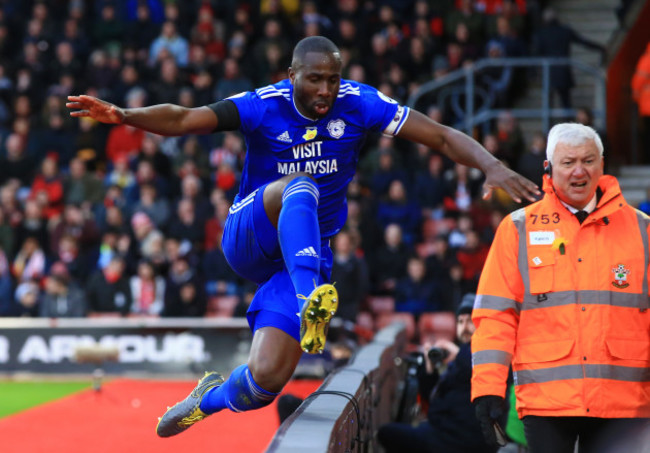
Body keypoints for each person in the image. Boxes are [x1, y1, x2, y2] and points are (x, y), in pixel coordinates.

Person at [66, 36, 539, 438]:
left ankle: (208, 398)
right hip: (251, 233)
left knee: (265, 382)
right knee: (301, 184)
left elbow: (437, 136)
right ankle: (313, 295)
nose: (326, 90)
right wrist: (125, 114)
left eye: (333, 79)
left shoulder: (360, 103)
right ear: (291, 73)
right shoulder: (262, 104)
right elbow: (186, 119)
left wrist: (492, 165)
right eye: (314, 79)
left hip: (301, 256)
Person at [471, 123, 650, 452]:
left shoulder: (643, 230)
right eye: (568, 162)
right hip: (546, 403)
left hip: (624, 402)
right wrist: (488, 388)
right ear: (549, 168)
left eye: (588, 160)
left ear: (602, 163)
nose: (579, 171)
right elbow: (495, 316)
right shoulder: (517, 230)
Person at [378, 294, 502, 453]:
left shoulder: (484, 351)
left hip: (464, 441)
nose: (464, 327)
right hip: (445, 433)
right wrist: (430, 371)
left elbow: (480, 371)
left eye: (470, 321)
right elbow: (435, 402)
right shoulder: (462, 356)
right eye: (460, 321)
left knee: (388, 434)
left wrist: (458, 356)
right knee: (390, 432)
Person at [631, 42, 650, 156]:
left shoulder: (647, 60)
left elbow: (638, 82)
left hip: (647, 106)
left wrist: (636, 98)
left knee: (648, 134)